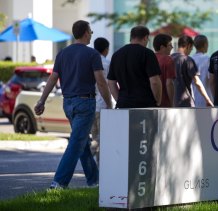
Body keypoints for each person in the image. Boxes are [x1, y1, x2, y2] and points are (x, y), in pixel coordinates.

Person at [34, 20, 113, 189]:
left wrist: (42, 100)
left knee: (82, 143)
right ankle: (59, 183)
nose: (91, 34)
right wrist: (109, 103)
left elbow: (53, 78)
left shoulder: (62, 54)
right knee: (76, 142)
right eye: (90, 31)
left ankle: (94, 180)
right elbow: (101, 81)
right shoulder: (92, 55)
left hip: (68, 104)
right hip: (85, 103)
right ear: (85, 32)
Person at [107, 26, 162, 108]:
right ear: (146, 37)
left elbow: (111, 82)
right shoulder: (147, 53)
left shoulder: (116, 55)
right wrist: (157, 101)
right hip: (145, 103)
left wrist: (120, 100)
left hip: (123, 103)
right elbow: (154, 82)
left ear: (131, 37)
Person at [171, 35, 213, 107]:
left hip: (174, 101)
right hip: (188, 100)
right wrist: (208, 99)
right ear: (188, 46)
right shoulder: (188, 60)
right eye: (191, 48)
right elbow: (199, 81)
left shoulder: (171, 58)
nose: (190, 51)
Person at [91, 37, 113, 166]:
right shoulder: (107, 64)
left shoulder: (89, 61)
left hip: (90, 104)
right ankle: (99, 165)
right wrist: (110, 103)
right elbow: (109, 84)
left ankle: (94, 165)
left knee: (95, 137)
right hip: (103, 104)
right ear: (106, 49)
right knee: (103, 138)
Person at [153, 33, 176, 107]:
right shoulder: (168, 60)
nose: (172, 47)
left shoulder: (149, 58)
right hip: (164, 104)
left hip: (149, 103)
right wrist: (172, 103)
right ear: (162, 47)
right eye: (170, 45)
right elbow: (169, 83)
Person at [191, 35, 212, 107]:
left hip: (193, 99)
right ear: (205, 45)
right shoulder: (208, 59)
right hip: (206, 99)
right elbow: (211, 79)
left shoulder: (190, 59)